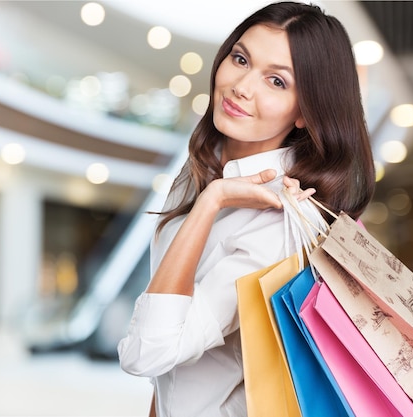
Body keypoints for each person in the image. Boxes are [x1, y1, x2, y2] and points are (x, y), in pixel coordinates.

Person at [117, 2, 375, 416]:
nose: (241, 86)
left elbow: (148, 353)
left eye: (276, 81)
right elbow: (172, 379)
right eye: (240, 59)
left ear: (306, 113)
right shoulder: (202, 167)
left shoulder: (281, 218)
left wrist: (211, 201)